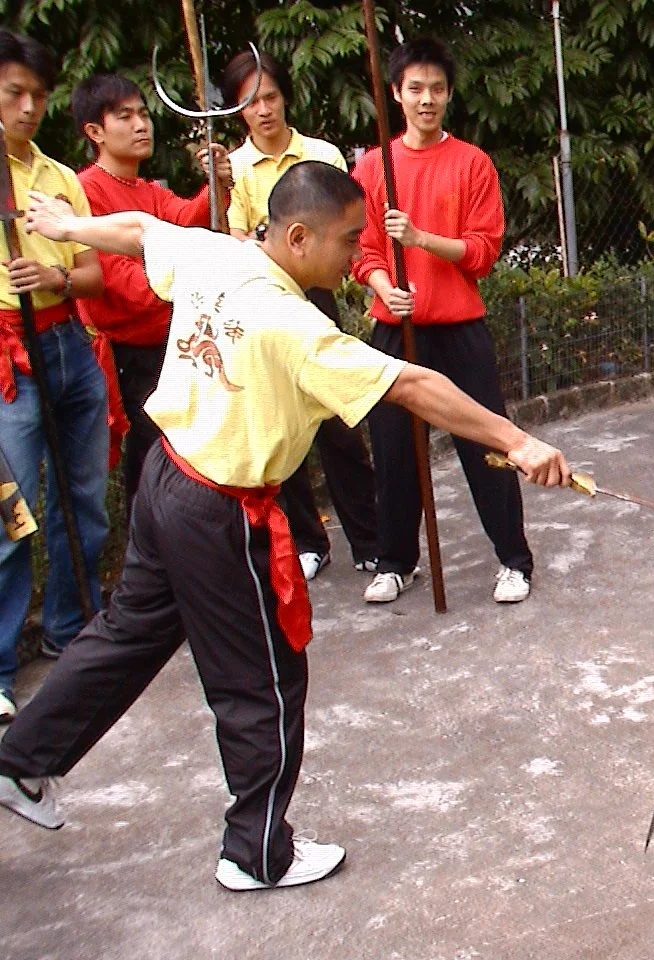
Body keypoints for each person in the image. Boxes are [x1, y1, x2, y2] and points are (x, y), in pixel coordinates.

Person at [0, 162, 570, 891]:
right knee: (262, 683)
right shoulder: (294, 324)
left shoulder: (217, 251)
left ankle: (22, 761)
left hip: (166, 480)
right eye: (348, 241)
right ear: (298, 237)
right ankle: (256, 851)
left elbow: (141, 233)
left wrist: (68, 227)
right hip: (218, 513)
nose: (355, 253)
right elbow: (413, 385)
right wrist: (516, 442)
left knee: (128, 634)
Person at [353, 36, 533, 605]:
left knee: (486, 441)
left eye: (436, 89)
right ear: (396, 95)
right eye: (415, 89)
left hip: (459, 329)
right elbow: (364, 250)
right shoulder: (372, 166)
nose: (425, 99)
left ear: (449, 95)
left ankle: (514, 559)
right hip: (396, 328)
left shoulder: (472, 163)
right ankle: (395, 561)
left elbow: (482, 250)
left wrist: (422, 239)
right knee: (394, 449)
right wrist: (385, 287)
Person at [221, 49, 378, 581]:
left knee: (338, 421)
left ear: (285, 97)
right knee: (278, 423)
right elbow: (235, 237)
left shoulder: (323, 155)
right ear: (237, 111)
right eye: (249, 102)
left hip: (316, 297)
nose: (262, 110)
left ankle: (369, 538)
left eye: (269, 96)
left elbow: (344, 228)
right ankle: (309, 541)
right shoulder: (233, 169)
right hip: (264, 302)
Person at [0, 31, 106, 722]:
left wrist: (58, 275)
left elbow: (96, 272)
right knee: (11, 519)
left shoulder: (58, 178)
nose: (30, 107)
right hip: (9, 356)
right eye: (15, 93)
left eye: (39, 95)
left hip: (67, 342)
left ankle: (73, 632)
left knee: (85, 501)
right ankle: (3, 667)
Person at [72, 73, 232, 516]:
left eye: (144, 113)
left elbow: (186, 220)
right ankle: (153, 571)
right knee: (151, 466)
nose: (142, 124)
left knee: (185, 458)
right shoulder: (87, 190)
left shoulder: (146, 190)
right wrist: (199, 275)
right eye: (125, 116)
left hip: (170, 345)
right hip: (130, 354)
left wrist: (217, 185)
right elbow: (123, 282)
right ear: (95, 132)